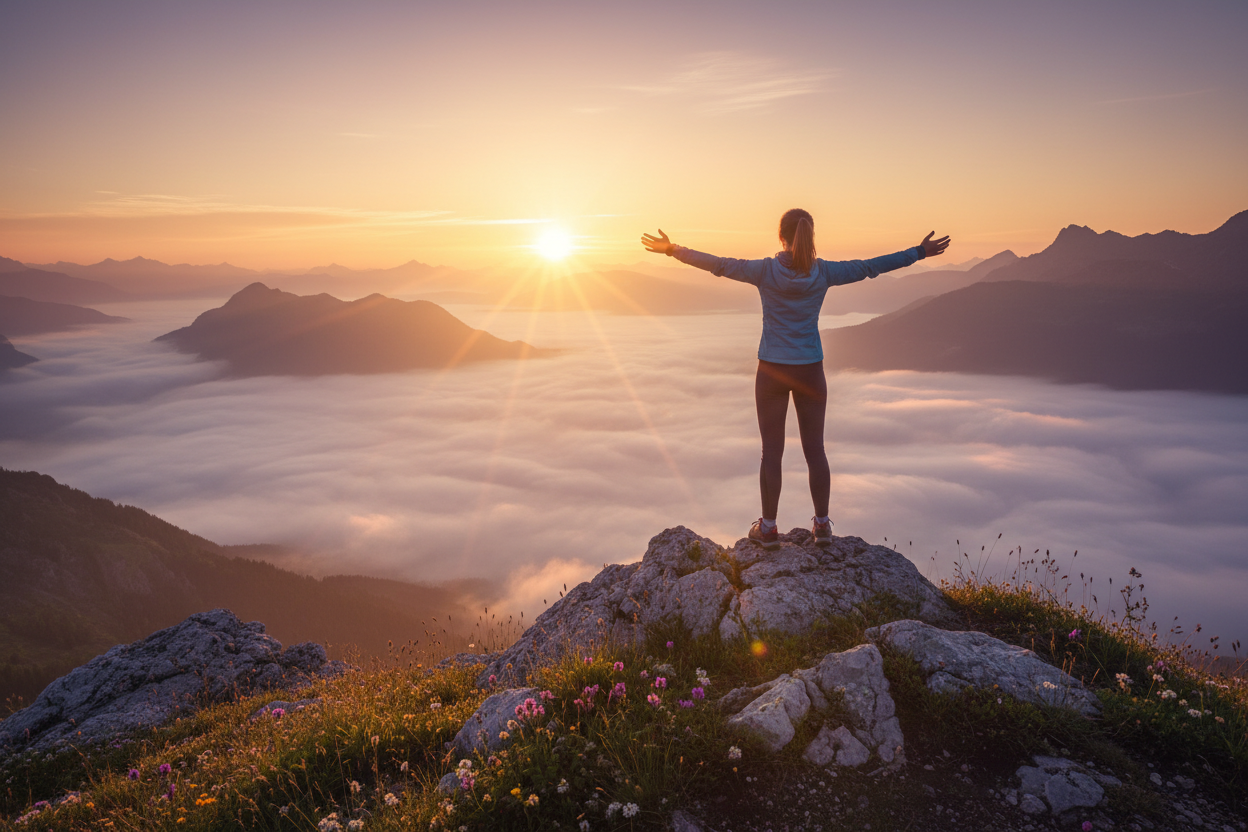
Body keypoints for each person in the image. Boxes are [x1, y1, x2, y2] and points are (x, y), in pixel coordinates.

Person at [641, 210, 950, 549]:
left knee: (771, 452)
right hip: (810, 370)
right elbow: (870, 266)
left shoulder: (763, 270)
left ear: (780, 237)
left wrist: (674, 250)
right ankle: (822, 527)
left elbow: (719, 264)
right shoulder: (824, 272)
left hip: (772, 369)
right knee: (815, 450)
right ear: (811, 236)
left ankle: (769, 529)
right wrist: (918, 253)